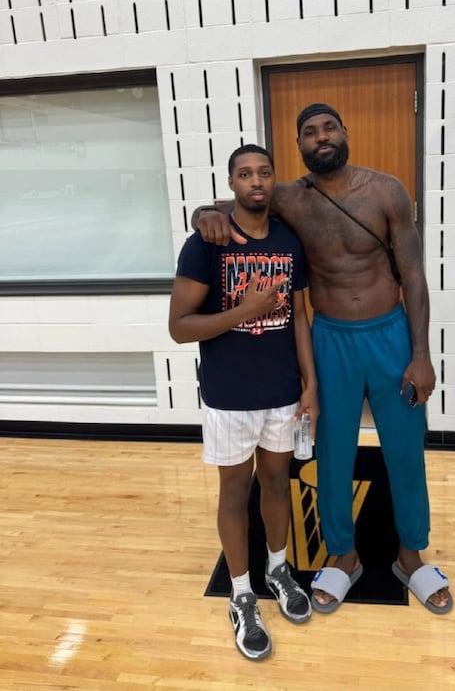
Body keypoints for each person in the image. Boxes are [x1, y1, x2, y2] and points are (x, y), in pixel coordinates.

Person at [192, 104, 452, 616]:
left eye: (329, 127)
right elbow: (234, 203)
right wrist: (204, 214)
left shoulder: (386, 191)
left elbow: (414, 275)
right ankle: (343, 555)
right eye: (310, 132)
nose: (321, 136)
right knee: (331, 452)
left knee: (405, 450)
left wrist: (421, 354)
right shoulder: (289, 197)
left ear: (344, 132)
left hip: (390, 335)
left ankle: (411, 556)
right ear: (300, 146)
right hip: (330, 338)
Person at [169, 144, 319, 661]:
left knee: (277, 484)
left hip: (282, 392)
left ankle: (277, 569)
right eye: (245, 174)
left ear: (273, 180)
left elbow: (299, 317)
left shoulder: (288, 240)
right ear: (231, 183)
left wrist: (310, 385)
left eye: (264, 172)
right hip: (230, 396)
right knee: (235, 492)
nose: (256, 181)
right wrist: (244, 310)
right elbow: (179, 327)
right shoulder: (206, 242)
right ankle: (240, 595)